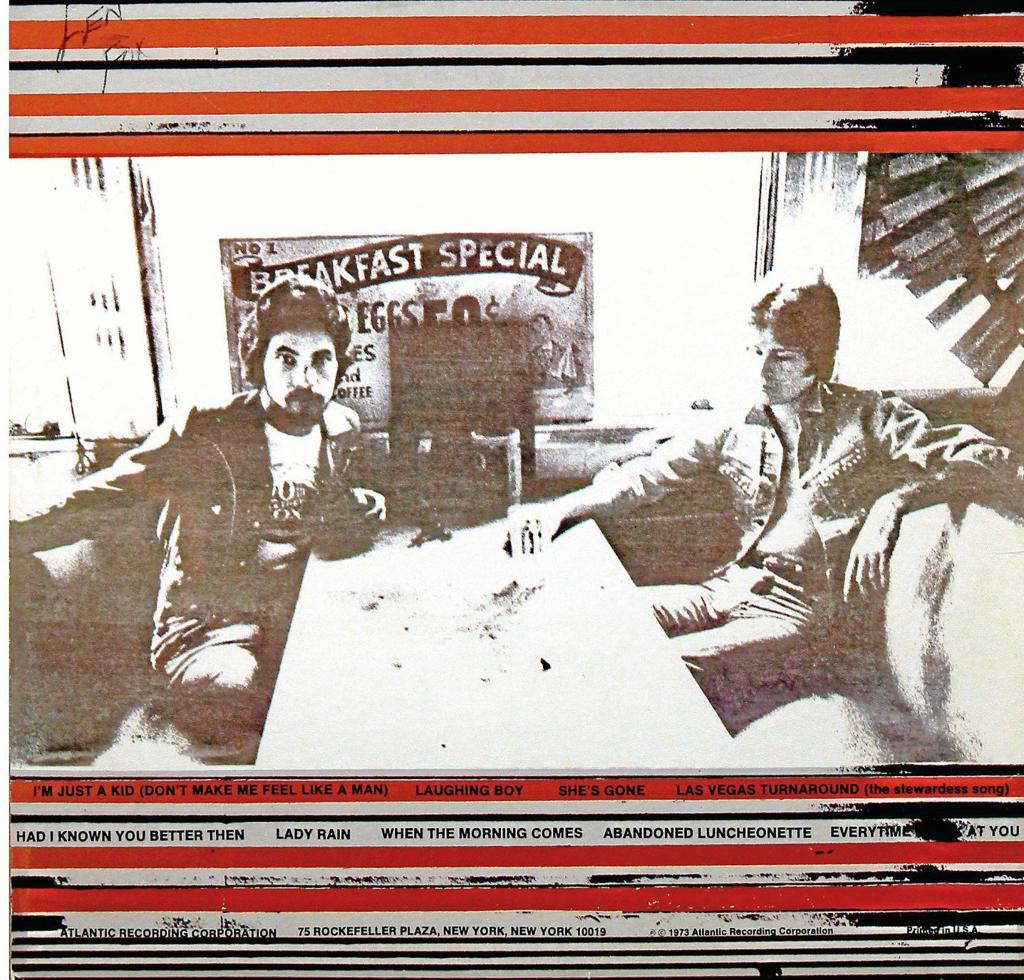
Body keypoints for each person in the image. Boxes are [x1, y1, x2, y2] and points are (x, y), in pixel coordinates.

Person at [509, 275, 1020, 736]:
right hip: (728, 586)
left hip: (808, 617)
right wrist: (558, 511)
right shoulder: (740, 422)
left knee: (665, 670)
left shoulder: (869, 415)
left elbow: (989, 458)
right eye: (756, 352)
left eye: (782, 357)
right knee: (596, 624)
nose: (762, 370)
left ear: (817, 361)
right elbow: (646, 477)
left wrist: (894, 503)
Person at [12, 275, 385, 761]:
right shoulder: (206, 431)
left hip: (295, 613)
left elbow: (325, 510)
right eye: (286, 359)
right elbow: (106, 494)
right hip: (205, 627)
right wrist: (15, 533)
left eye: (321, 361)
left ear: (338, 366)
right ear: (259, 362)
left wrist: (361, 505)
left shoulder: (340, 428)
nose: (305, 378)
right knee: (241, 698)